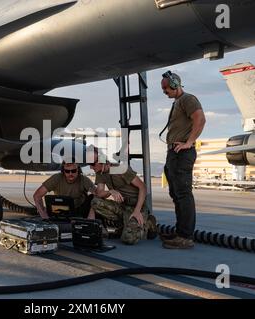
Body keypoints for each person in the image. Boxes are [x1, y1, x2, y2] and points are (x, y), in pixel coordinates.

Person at [159, 71, 206, 249]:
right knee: (176, 195)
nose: (164, 92)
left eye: (166, 88)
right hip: (174, 153)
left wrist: (189, 142)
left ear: (174, 84)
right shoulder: (178, 102)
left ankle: (185, 237)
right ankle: (180, 232)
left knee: (183, 195)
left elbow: (200, 119)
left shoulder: (188, 99)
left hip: (182, 154)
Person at [87, 150, 156, 245]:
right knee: (95, 202)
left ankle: (148, 223)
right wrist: (110, 191)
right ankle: (124, 224)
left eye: (92, 164)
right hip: (122, 206)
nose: (90, 167)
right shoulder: (100, 173)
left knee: (128, 239)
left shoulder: (120, 169)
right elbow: (99, 194)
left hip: (136, 207)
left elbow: (142, 187)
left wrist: (137, 211)